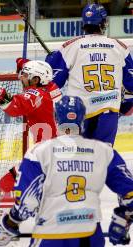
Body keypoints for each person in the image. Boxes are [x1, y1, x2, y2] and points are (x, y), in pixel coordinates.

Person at [0, 95, 133, 247]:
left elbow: (26, 202)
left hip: (52, 237)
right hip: (91, 237)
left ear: (56, 119)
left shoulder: (40, 151)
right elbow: (130, 194)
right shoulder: (104, 151)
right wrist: (123, 220)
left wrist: (8, 225)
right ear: (83, 118)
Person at [46, 3, 133, 146]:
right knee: (102, 159)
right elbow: (131, 83)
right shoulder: (119, 47)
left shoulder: (70, 46)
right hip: (108, 111)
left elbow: (53, 82)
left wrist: (50, 63)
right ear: (104, 22)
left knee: (78, 159)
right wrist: (127, 104)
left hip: (78, 113)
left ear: (84, 23)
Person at [0, 60, 59, 203]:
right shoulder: (52, 88)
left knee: (7, 184)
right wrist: (26, 65)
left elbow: (14, 107)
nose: (21, 77)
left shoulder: (37, 94)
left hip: (46, 157)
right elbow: (44, 76)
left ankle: (15, 217)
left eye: (25, 75)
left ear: (36, 79)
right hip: (58, 153)